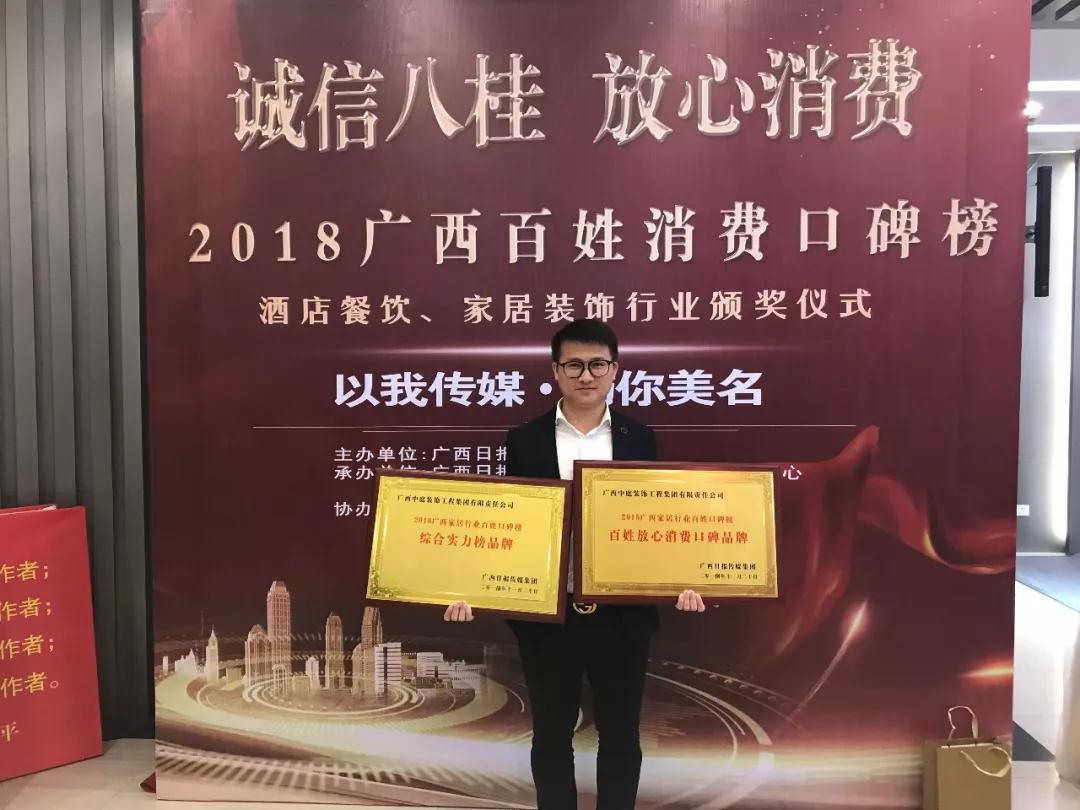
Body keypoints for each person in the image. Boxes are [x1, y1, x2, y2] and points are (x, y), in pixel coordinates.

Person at [444, 319, 705, 810]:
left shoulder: (639, 437)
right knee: (550, 735)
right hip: (550, 616)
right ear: (556, 371)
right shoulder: (524, 440)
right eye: (575, 365)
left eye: (598, 365)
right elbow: (505, 524)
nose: (587, 375)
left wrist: (682, 580)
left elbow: (655, 520)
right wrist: (471, 585)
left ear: (615, 370)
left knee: (621, 736)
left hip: (623, 616)